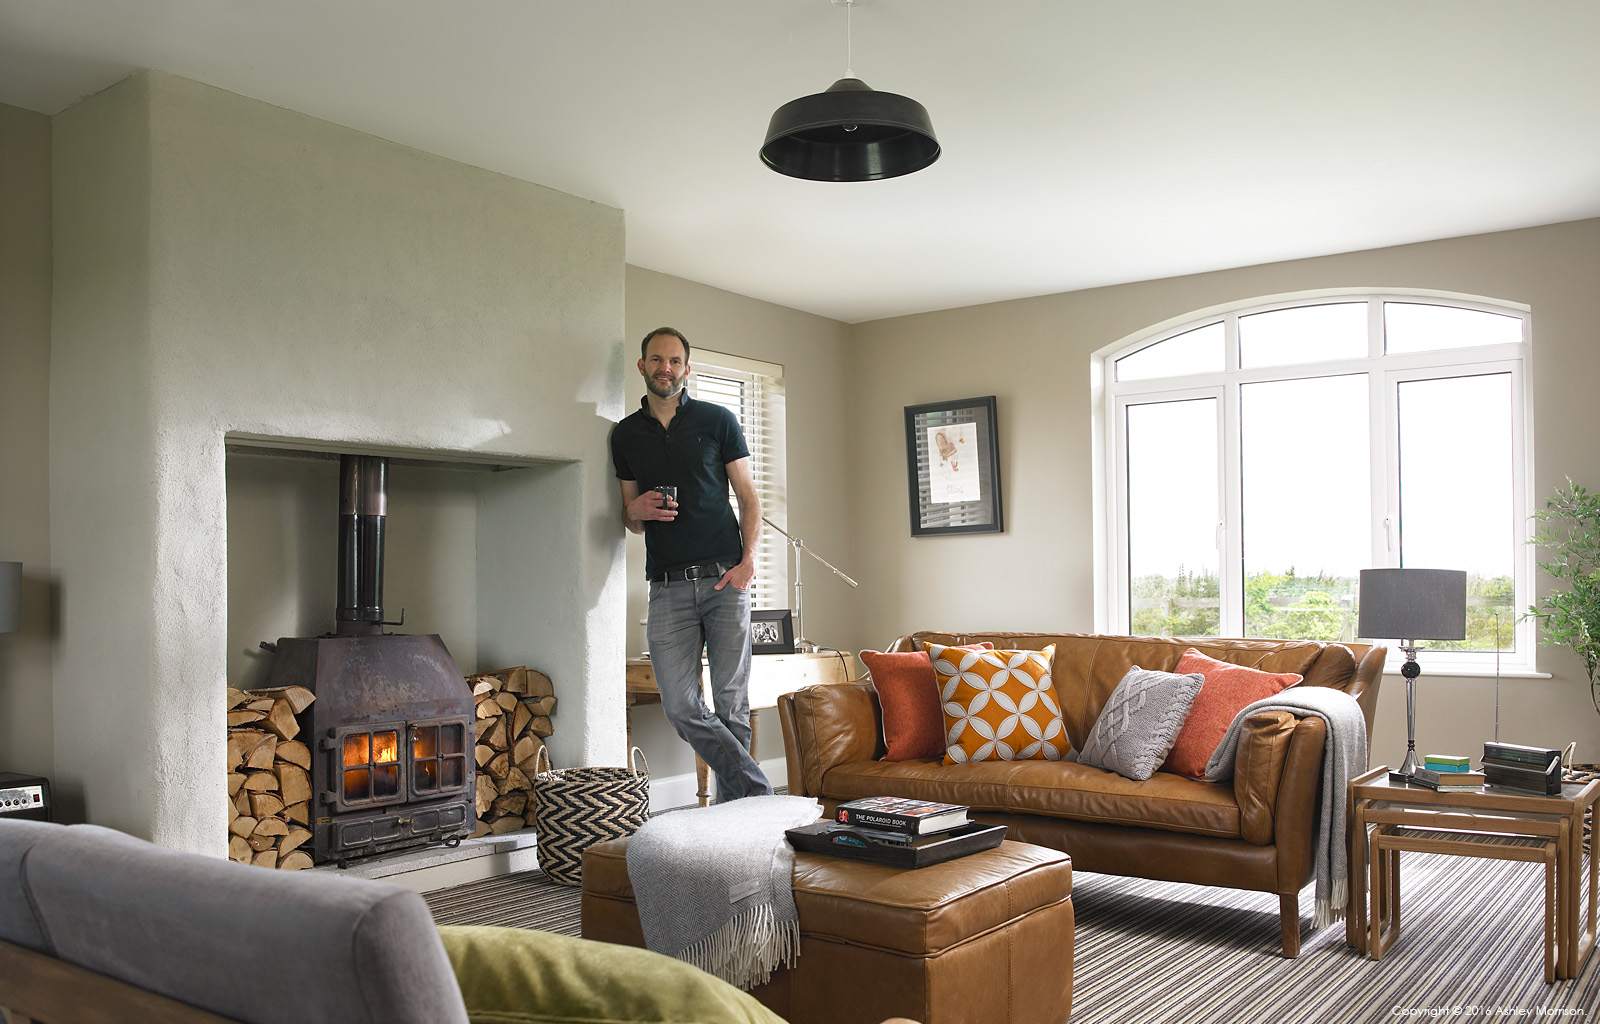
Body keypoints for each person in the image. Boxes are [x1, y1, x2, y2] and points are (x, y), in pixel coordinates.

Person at [610, 326, 772, 802]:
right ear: (642, 366)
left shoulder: (718, 420)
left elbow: (748, 497)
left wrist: (748, 563)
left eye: (675, 361)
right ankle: (760, 795)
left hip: (725, 580)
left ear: (686, 368)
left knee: (732, 705)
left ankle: (734, 815)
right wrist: (634, 510)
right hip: (667, 587)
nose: (666, 368)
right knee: (680, 706)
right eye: (657, 360)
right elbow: (631, 519)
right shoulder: (625, 434)